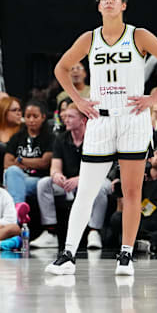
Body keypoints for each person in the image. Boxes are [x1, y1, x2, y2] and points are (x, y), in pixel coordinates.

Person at [46, 0, 157, 276]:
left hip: (132, 117)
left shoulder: (139, 35)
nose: (108, 1)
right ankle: (68, 254)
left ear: (123, 4)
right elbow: (61, 68)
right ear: (98, 5)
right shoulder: (89, 38)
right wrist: (78, 101)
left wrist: (156, 96)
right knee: (86, 190)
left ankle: (126, 255)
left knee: (132, 192)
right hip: (100, 119)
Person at [32, 103, 111, 249]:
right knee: (44, 183)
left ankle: (94, 232)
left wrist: (81, 179)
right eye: (65, 116)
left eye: (70, 116)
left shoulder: (95, 138)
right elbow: (55, 165)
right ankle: (50, 233)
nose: (66, 120)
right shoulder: (61, 138)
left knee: (99, 188)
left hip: (95, 179)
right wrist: (56, 175)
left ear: (83, 120)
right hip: (69, 183)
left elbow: (102, 169)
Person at [4, 100, 54, 204]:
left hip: (38, 179)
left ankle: (16, 213)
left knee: (15, 184)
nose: (31, 120)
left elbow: (44, 163)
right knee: (12, 171)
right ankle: (19, 210)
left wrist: (20, 160)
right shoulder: (16, 137)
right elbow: (7, 164)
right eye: (28, 116)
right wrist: (32, 163)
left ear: (43, 117)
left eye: (35, 116)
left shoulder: (50, 138)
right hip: (17, 176)